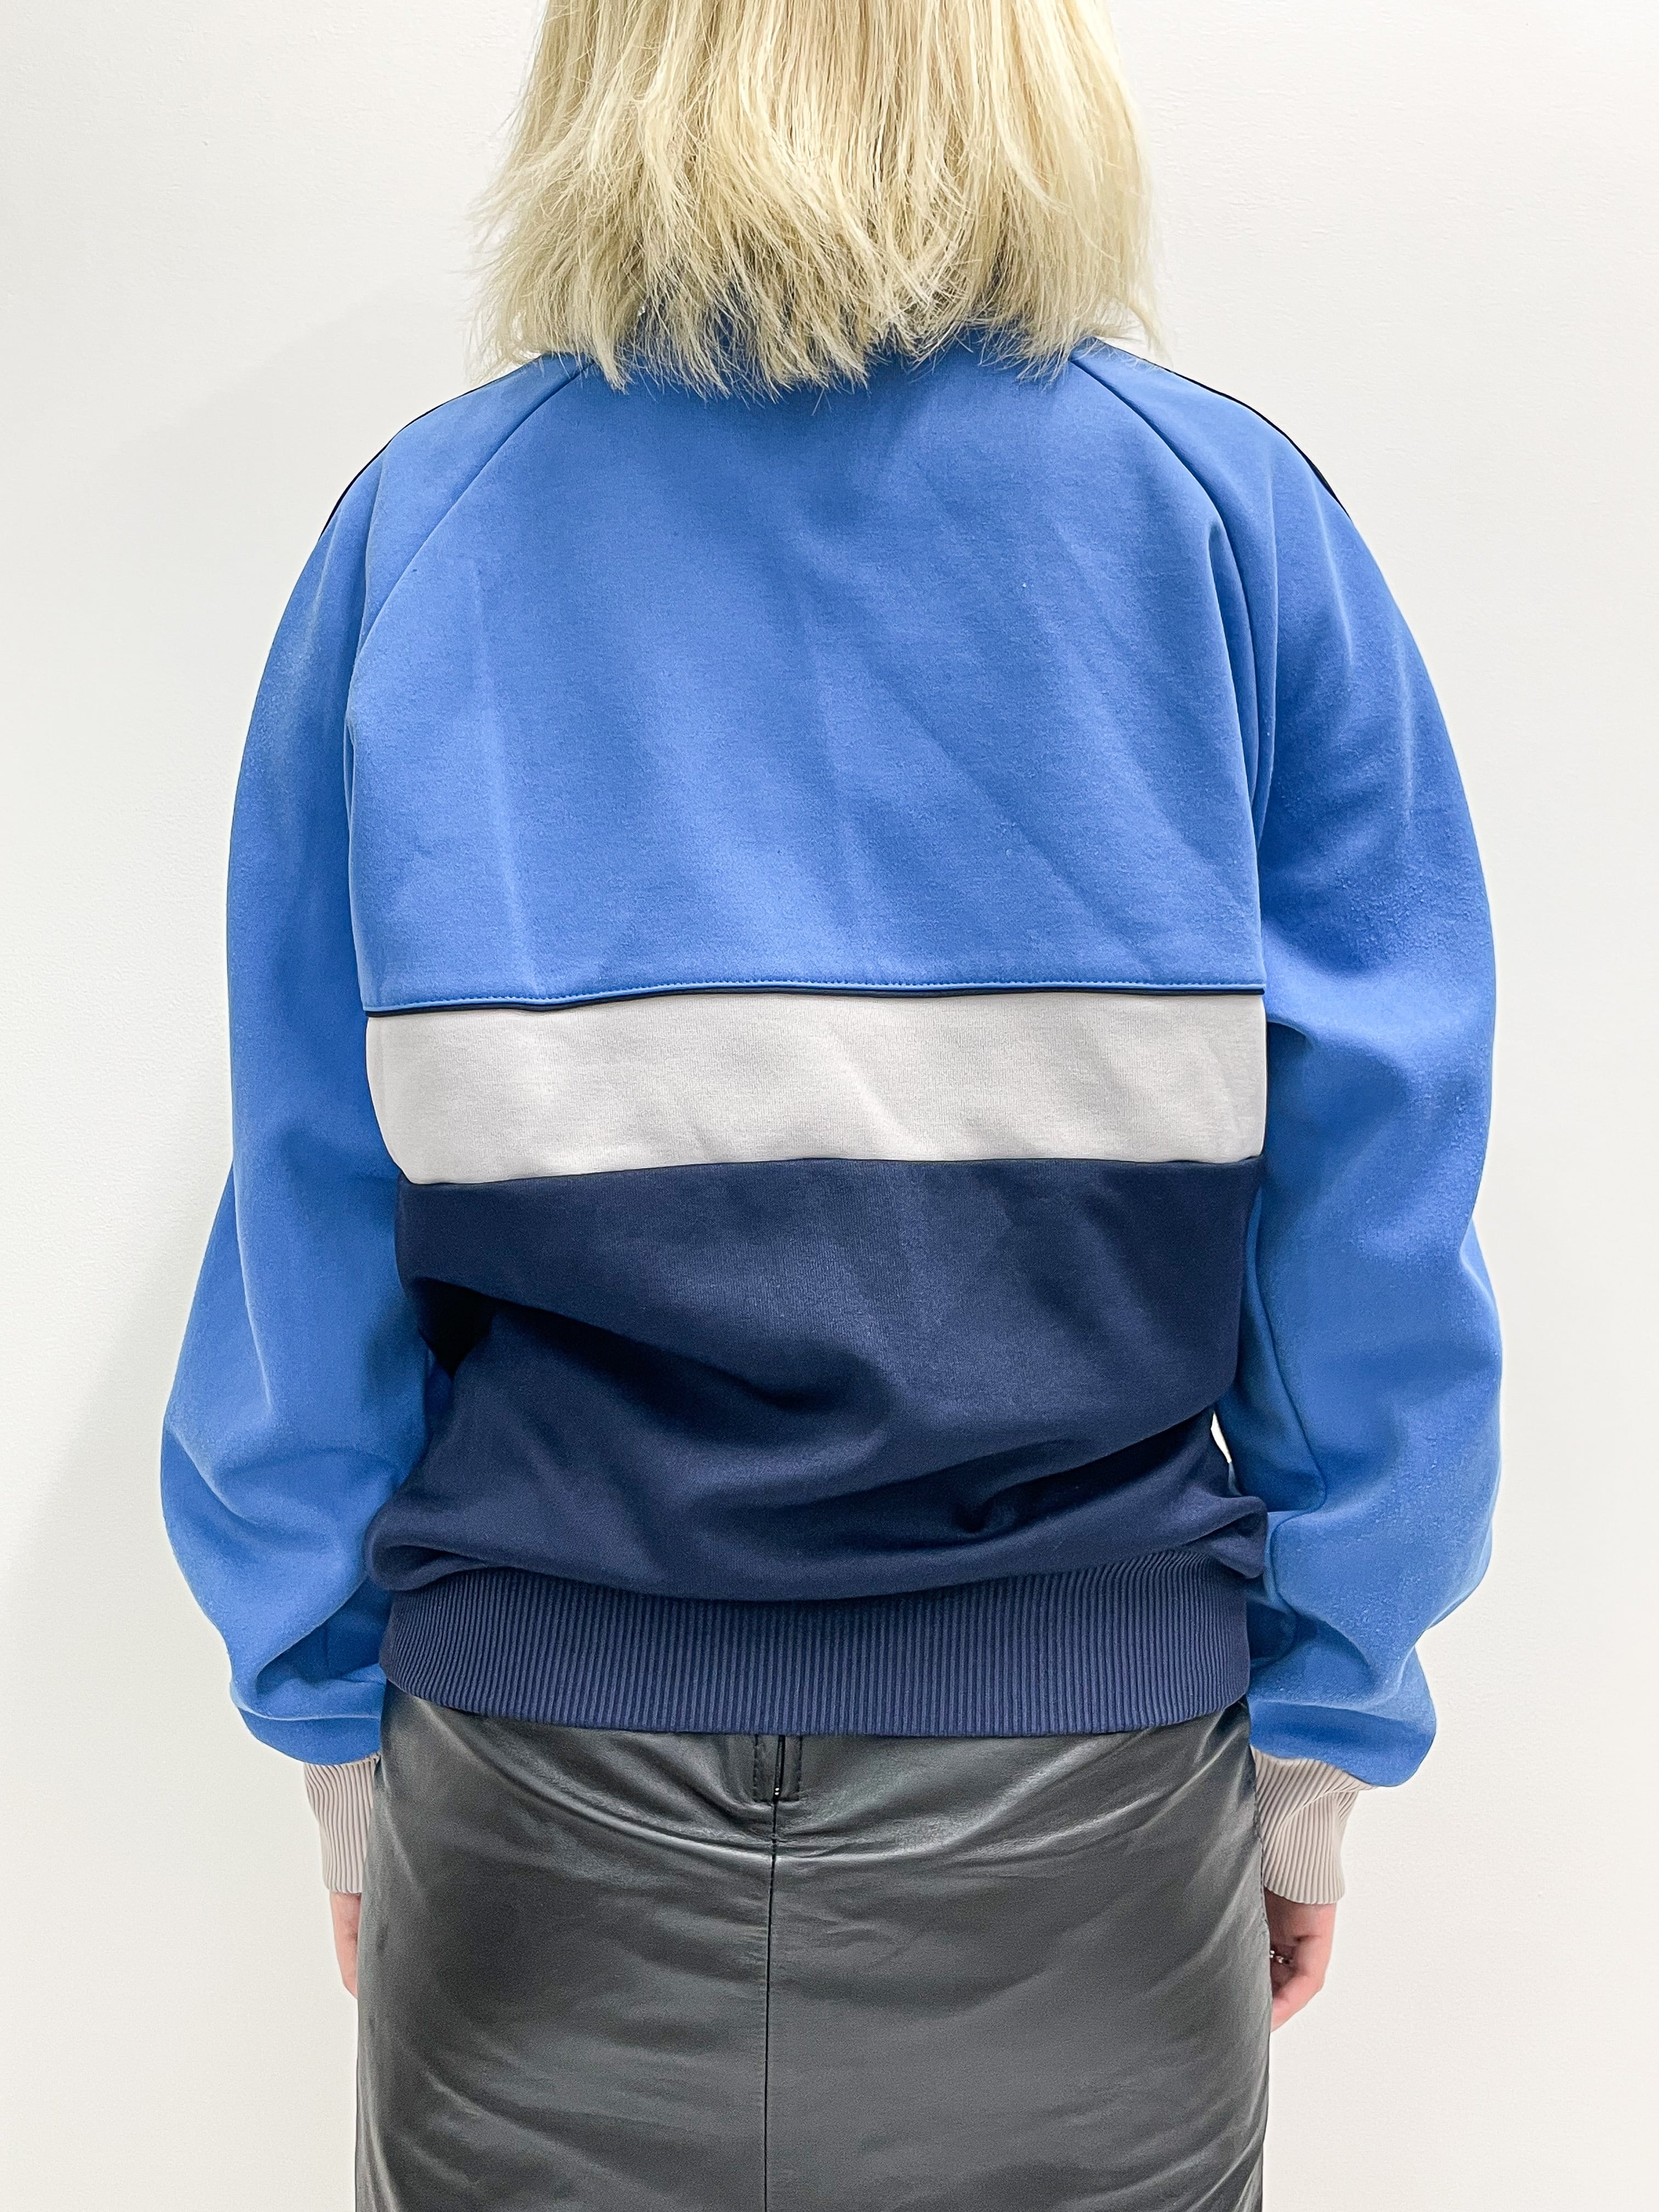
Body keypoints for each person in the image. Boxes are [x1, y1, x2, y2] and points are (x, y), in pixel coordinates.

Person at [161, 2, 1502, 2205]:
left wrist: (334, 1751)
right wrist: (1315, 1758)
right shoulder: (1221, 518)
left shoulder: (425, 528)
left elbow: (309, 1218)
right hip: (1088, 1825)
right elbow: (1375, 1228)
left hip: (534, 1822)